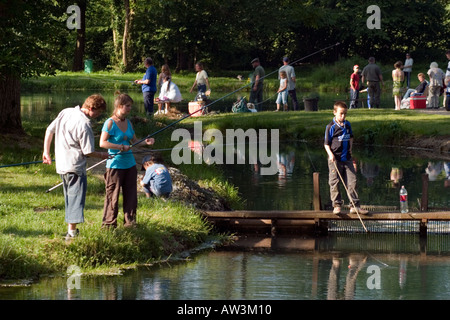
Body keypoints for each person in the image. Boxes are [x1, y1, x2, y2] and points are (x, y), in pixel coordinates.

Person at [42, 94, 108, 239]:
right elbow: (88, 151)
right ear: (91, 108)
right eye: (98, 112)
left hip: (61, 165)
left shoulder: (66, 112)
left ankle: (70, 230)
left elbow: (49, 130)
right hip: (75, 166)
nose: (98, 116)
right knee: (76, 199)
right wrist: (103, 155)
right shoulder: (84, 124)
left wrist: (46, 152)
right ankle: (71, 233)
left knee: (69, 197)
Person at [99, 93, 155, 228]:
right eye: (128, 106)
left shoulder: (128, 122)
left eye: (130, 106)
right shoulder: (110, 123)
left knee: (131, 195)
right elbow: (102, 143)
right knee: (113, 196)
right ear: (119, 106)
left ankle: (130, 223)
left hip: (130, 164)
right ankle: (109, 224)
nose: (130, 109)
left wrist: (145, 142)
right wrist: (119, 147)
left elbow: (134, 142)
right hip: (115, 164)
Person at [324, 101, 368, 215]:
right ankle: (337, 205)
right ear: (334, 113)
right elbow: (326, 144)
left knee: (352, 180)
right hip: (335, 159)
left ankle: (354, 205)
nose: (343, 116)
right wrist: (331, 154)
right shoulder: (330, 127)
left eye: (345, 114)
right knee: (334, 181)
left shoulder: (347, 124)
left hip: (347, 158)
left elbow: (351, 137)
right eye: (341, 114)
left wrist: (350, 150)